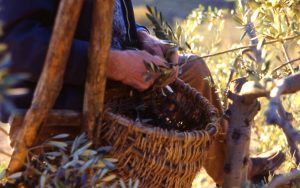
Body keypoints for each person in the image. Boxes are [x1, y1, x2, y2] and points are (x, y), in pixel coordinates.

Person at [0, 0, 284, 185]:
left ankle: (233, 173)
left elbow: (105, 19)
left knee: (192, 69)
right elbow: (15, 47)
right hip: (65, 105)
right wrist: (112, 64)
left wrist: (144, 38)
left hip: (109, 87)